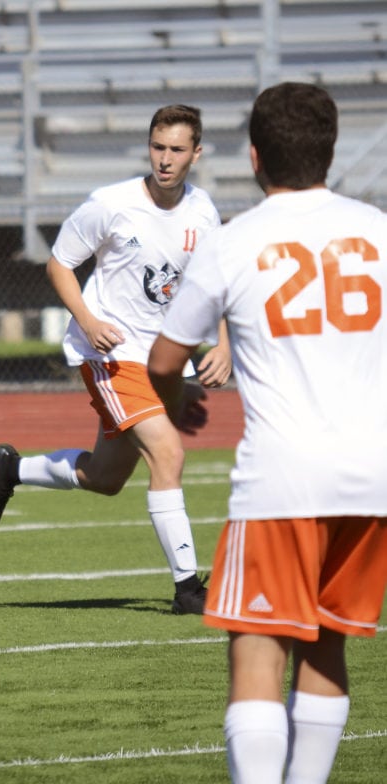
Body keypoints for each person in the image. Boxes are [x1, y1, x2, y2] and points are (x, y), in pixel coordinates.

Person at [148, 82, 387, 784]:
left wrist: (178, 401)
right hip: (374, 476)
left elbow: (163, 359)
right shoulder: (379, 229)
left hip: (283, 479)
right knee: (328, 642)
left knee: (257, 646)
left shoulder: (235, 241)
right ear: (331, 152)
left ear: (254, 155)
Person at [0, 104, 230, 615]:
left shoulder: (203, 211)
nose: (165, 159)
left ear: (196, 154)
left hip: (164, 360)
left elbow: (217, 281)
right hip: (110, 354)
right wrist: (89, 321)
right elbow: (59, 264)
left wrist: (223, 344)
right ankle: (187, 589)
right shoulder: (110, 204)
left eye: (176, 150)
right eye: (157, 147)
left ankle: (12, 469)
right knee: (168, 455)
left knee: (106, 478)